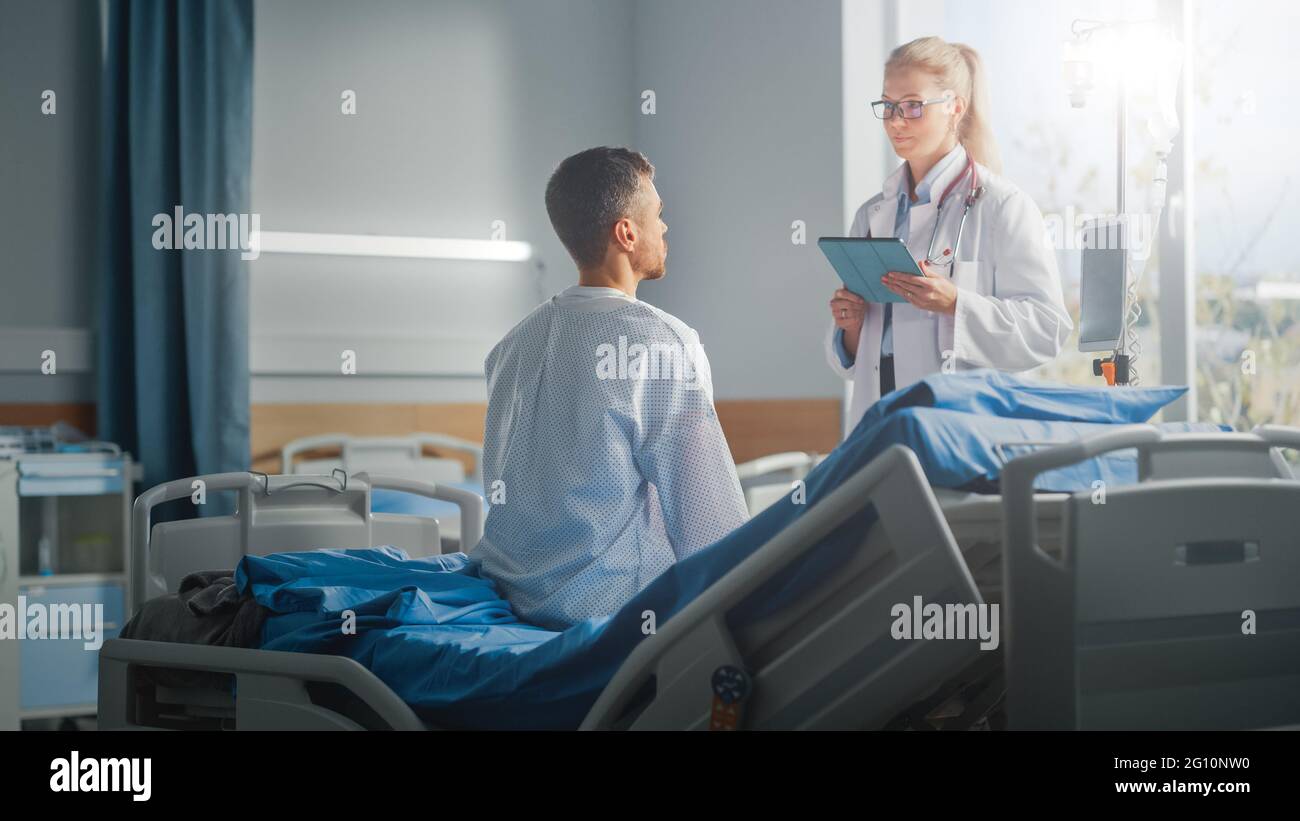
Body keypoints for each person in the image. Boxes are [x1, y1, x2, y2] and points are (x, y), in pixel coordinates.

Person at [474, 146, 749, 630]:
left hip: (510, 599)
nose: (664, 228)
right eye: (658, 215)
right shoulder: (663, 345)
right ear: (626, 232)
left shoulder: (512, 346)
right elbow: (710, 527)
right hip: (607, 612)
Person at [827, 36, 1072, 432]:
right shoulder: (872, 214)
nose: (895, 120)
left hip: (960, 426)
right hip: (878, 425)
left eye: (912, 106)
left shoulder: (1002, 206)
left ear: (955, 107)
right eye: (888, 105)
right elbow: (864, 356)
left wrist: (956, 303)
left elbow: (1047, 329)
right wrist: (851, 327)